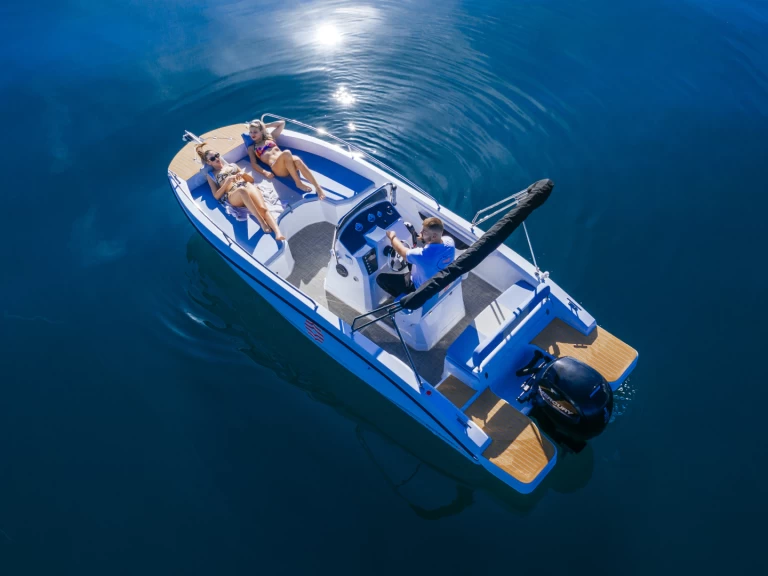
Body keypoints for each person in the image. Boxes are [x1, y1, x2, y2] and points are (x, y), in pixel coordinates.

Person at [196, 143, 286, 241]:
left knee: (263, 209)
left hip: (246, 185)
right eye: (212, 159)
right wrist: (226, 182)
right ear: (209, 163)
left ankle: (278, 233)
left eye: (216, 155)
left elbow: (251, 180)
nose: (216, 158)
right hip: (234, 194)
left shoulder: (232, 165)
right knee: (242, 191)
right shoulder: (211, 175)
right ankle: (262, 222)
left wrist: (243, 174)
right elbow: (216, 196)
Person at [246, 119, 326, 200]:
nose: (252, 134)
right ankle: (298, 182)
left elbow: (282, 123)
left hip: (287, 161)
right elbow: (254, 164)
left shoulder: (270, 137)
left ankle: (318, 187)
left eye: (255, 132)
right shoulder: (252, 148)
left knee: (297, 160)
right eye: (250, 132)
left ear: (262, 131)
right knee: (287, 153)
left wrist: (264, 126)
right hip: (277, 168)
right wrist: (265, 172)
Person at [377, 217, 455, 297]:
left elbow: (401, 250)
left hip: (419, 289)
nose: (420, 232)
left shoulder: (422, 255)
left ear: (434, 236)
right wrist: (425, 237)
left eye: (424, 231)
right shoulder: (450, 242)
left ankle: (403, 297)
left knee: (381, 279)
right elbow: (433, 245)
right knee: (411, 253)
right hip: (437, 282)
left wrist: (392, 237)